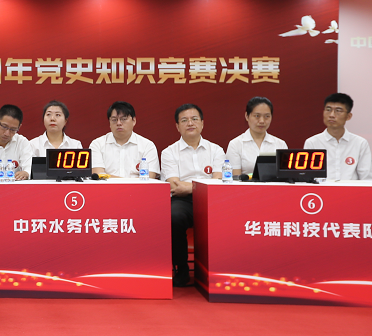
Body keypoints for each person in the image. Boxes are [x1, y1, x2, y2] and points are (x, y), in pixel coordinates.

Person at [161, 104, 224, 287]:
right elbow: (174, 186)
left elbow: (219, 181)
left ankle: (217, 269)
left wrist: (189, 186)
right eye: (184, 120)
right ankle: (181, 269)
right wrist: (204, 184)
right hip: (183, 201)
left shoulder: (216, 150)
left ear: (202, 123)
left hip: (212, 199)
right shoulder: (169, 152)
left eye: (194, 119)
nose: (190, 123)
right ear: (177, 126)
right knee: (174, 216)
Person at [304, 93, 372, 180]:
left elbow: (367, 179)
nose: (332, 115)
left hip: (351, 188)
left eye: (338, 110)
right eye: (328, 109)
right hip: (322, 189)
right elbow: (308, 178)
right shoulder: (312, 143)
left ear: (348, 116)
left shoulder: (360, 143)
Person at [89, 101, 160, 178]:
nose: (119, 123)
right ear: (109, 122)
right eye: (114, 120)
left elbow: (149, 177)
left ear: (134, 121)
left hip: (135, 187)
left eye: (123, 119)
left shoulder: (147, 146)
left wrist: (122, 183)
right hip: (109, 187)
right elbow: (98, 174)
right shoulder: (97, 144)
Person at [224, 97, 287, 178]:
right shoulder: (236, 144)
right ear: (247, 116)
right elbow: (236, 179)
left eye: (267, 116)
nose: (262, 121)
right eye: (257, 116)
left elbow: (284, 176)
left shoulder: (280, 144)